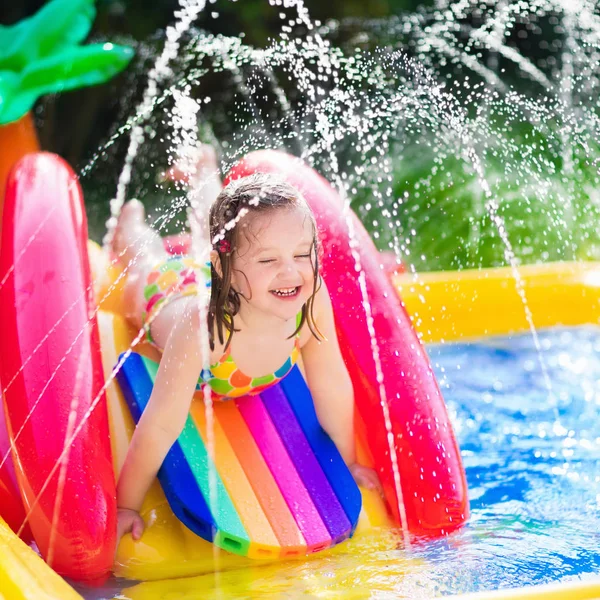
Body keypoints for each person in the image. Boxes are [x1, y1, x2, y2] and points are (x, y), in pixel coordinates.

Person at [113, 150, 381, 543]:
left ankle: (204, 169)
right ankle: (131, 226)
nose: (290, 271)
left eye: (302, 254)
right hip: (169, 292)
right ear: (225, 272)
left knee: (221, 241)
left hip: (224, 273)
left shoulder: (309, 299)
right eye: (269, 259)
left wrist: (347, 463)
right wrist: (126, 505)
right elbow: (161, 424)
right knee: (144, 262)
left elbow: (330, 383)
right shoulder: (206, 329)